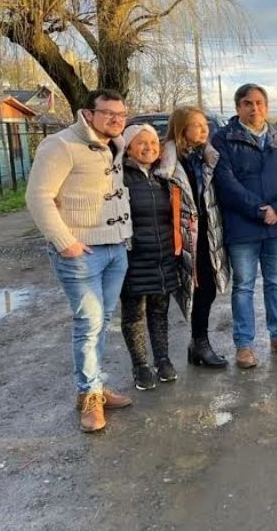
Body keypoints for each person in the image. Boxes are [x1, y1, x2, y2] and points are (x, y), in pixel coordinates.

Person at [25, 88, 134, 432]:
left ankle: (94, 386)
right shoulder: (60, 145)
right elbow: (38, 196)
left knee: (102, 322)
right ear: (88, 114)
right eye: (108, 113)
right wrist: (64, 241)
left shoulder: (115, 143)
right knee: (89, 323)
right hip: (81, 253)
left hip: (116, 247)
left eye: (121, 114)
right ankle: (90, 397)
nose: (116, 119)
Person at [212, 84, 277, 368]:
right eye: (248, 103)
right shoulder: (224, 140)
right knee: (244, 286)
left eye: (260, 103)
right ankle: (244, 345)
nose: (255, 108)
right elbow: (226, 182)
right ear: (238, 107)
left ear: (267, 105)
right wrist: (257, 209)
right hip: (243, 227)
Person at [119, 124, 194, 389]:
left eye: (153, 142)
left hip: (164, 255)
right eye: (141, 142)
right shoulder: (120, 176)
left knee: (160, 311)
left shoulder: (165, 175)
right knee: (134, 314)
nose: (149, 147)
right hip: (133, 258)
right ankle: (141, 366)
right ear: (128, 147)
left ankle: (163, 360)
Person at [161, 106, 230, 369]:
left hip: (206, 234)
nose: (204, 130)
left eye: (205, 125)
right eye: (197, 125)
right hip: (178, 236)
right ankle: (162, 356)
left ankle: (199, 343)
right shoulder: (167, 162)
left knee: (207, 289)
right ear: (181, 129)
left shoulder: (205, 158)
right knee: (175, 294)